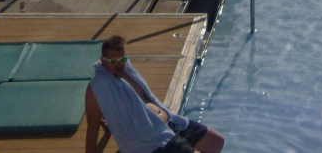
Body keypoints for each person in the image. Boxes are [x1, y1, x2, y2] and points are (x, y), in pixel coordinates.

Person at [85, 34, 224, 153]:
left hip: (170, 123)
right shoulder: (98, 87)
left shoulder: (127, 71)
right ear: (103, 61)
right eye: (114, 61)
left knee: (216, 142)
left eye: (122, 59)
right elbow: (92, 126)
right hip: (153, 140)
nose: (119, 64)